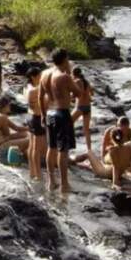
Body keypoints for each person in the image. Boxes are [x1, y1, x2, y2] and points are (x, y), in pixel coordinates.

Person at [38, 48, 81, 192]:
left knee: (51, 148)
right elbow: (78, 93)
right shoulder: (64, 76)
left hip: (50, 113)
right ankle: (64, 184)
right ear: (65, 59)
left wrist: (43, 115)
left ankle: (51, 182)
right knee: (63, 150)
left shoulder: (44, 74)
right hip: (62, 113)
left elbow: (40, 97)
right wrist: (71, 74)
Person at [25, 67, 47, 181]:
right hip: (37, 118)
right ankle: (38, 175)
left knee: (32, 147)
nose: (41, 77)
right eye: (39, 75)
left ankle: (32, 172)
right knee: (37, 149)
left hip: (31, 117)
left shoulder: (28, 87)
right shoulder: (35, 90)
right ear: (33, 77)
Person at [71, 67, 94, 151]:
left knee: (68, 123)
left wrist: (71, 97)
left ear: (73, 74)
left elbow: (77, 94)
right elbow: (92, 93)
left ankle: (69, 145)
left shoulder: (76, 81)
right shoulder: (86, 81)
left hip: (80, 106)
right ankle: (89, 150)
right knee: (86, 130)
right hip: (88, 107)